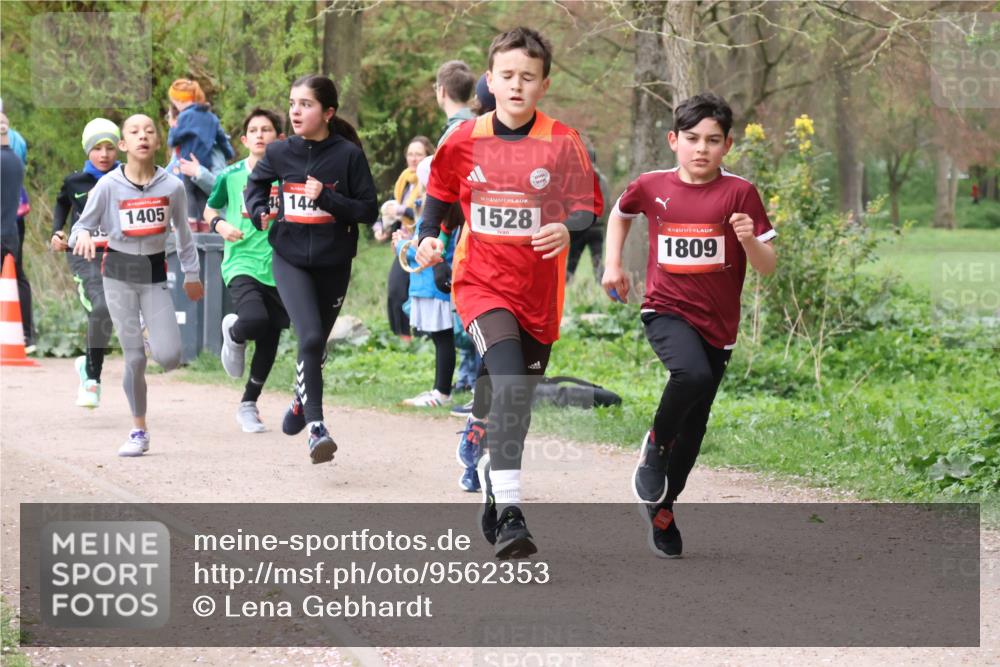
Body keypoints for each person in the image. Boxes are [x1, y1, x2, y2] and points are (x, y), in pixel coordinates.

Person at [416, 27, 603, 558]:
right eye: (507, 76)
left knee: (513, 394)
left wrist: (569, 227)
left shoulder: (563, 141)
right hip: (481, 283)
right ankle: (514, 514)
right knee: (509, 384)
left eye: (528, 76)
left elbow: (588, 205)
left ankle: (494, 489)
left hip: (539, 295)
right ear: (490, 80)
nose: (516, 85)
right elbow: (438, 199)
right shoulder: (462, 139)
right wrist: (429, 237)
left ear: (544, 83)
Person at [602, 93, 777, 558]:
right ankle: (655, 446)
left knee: (696, 426)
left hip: (718, 325)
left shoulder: (740, 193)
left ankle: (664, 508)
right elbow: (620, 215)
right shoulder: (651, 185)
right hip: (664, 308)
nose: (702, 149)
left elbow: (767, 266)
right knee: (690, 375)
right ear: (673, 141)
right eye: (693, 139)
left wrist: (748, 240)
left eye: (713, 141)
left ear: (728, 145)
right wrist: (612, 265)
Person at [244, 75, 378, 464]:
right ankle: (317, 428)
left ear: (328, 112)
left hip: (334, 262)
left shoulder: (348, 156)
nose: (296, 111)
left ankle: (302, 402)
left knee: (315, 346)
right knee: (310, 336)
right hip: (289, 259)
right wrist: (258, 211)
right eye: (292, 103)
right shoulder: (280, 152)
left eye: (306, 104)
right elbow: (254, 188)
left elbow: (367, 209)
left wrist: (330, 198)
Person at [70, 115, 204, 457]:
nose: (143, 136)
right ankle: (139, 430)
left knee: (170, 357)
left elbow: (184, 236)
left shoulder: (172, 186)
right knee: (135, 361)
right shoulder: (108, 186)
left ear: (157, 142)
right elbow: (80, 227)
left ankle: (149, 329)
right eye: (134, 132)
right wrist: (82, 235)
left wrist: (192, 275)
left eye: (149, 131)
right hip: (117, 274)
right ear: (124, 145)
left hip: (152, 274)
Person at [206, 108, 288, 433]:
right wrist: (221, 225)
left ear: (279, 138)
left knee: (270, 338)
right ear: (244, 139)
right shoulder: (231, 174)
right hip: (241, 260)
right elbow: (211, 207)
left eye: (266, 129)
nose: (259, 135)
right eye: (253, 130)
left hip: (281, 264)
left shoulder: (290, 177)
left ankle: (248, 404)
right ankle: (235, 333)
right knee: (255, 320)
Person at [50, 118, 120, 407]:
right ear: (87, 150)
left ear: (119, 149)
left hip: (120, 255)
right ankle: (92, 379)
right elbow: (62, 203)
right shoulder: (74, 181)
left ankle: (87, 368)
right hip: (85, 256)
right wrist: (57, 231)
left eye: (109, 148)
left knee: (112, 311)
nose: (103, 154)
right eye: (97, 148)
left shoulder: (127, 178)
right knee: (101, 307)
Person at [375, 136, 434, 341]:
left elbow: (421, 207)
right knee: (395, 290)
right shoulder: (404, 180)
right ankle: (403, 339)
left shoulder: (430, 179)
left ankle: (424, 339)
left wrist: (397, 210)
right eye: (410, 154)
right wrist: (380, 227)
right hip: (403, 245)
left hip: (424, 244)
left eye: (419, 154)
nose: (414, 158)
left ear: (427, 157)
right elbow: (389, 211)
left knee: (421, 294)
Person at [166, 79, 235, 228]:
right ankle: (204, 222)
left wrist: (172, 132)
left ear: (180, 100)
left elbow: (174, 139)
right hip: (205, 162)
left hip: (188, 163)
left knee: (187, 191)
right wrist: (229, 153)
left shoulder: (185, 116)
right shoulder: (211, 117)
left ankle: (190, 221)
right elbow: (222, 139)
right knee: (200, 194)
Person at [0, 111, 33, 350]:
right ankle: (25, 334)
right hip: (12, 226)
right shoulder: (15, 156)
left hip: (8, 224)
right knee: (17, 276)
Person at [567, 145, 609, 282]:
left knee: (572, 262)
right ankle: (602, 290)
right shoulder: (603, 180)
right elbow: (607, 203)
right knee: (597, 261)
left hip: (579, 226)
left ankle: (566, 290)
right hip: (598, 228)